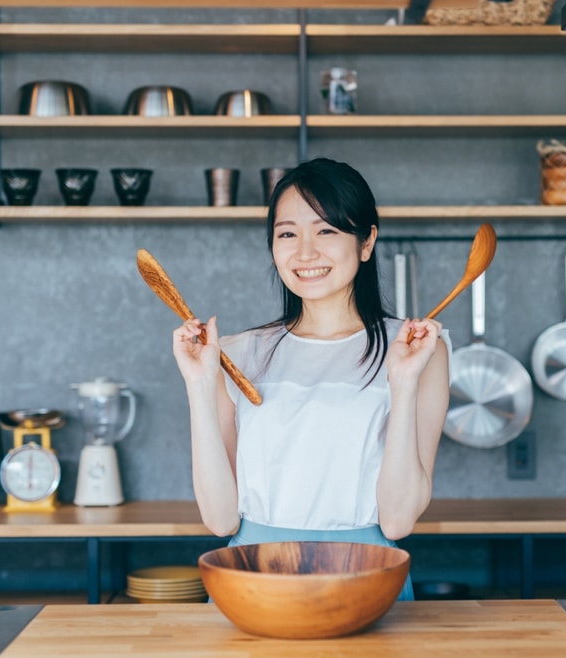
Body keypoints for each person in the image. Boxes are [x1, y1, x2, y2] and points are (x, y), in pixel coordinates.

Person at [171, 157, 450, 600]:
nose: (304, 253)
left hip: (367, 579)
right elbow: (221, 519)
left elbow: (397, 521)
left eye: (325, 231)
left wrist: (403, 381)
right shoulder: (238, 353)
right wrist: (199, 383)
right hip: (252, 578)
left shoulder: (416, 349)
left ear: (366, 242)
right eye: (287, 234)